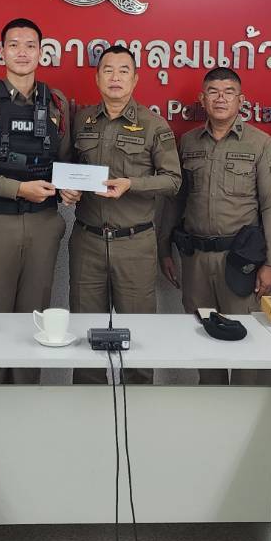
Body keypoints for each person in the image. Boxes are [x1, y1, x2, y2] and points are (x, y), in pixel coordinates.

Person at [0, 18, 72, 384]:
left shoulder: (56, 102)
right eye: (14, 45)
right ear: (0, 51)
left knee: (35, 317)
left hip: (43, 223)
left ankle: (25, 397)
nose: (22, 52)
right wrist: (18, 189)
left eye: (30, 45)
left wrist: (68, 187)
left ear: (42, 52)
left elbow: (63, 162)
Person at [69, 45, 181, 384]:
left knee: (137, 335)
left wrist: (132, 184)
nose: (115, 77)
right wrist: (67, 189)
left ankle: (137, 405)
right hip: (87, 241)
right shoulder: (82, 120)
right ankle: (88, 405)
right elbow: (70, 168)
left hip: (134, 243)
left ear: (135, 79)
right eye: (108, 70)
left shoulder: (153, 125)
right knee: (85, 333)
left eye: (123, 71)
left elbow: (173, 180)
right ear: (97, 78)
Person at [159, 67, 271, 325]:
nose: (221, 99)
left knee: (243, 333)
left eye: (229, 92)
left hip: (240, 260)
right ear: (202, 99)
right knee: (199, 332)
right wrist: (164, 248)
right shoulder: (188, 142)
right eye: (213, 92)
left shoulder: (260, 143)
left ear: (241, 99)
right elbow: (175, 200)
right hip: (195, 260)